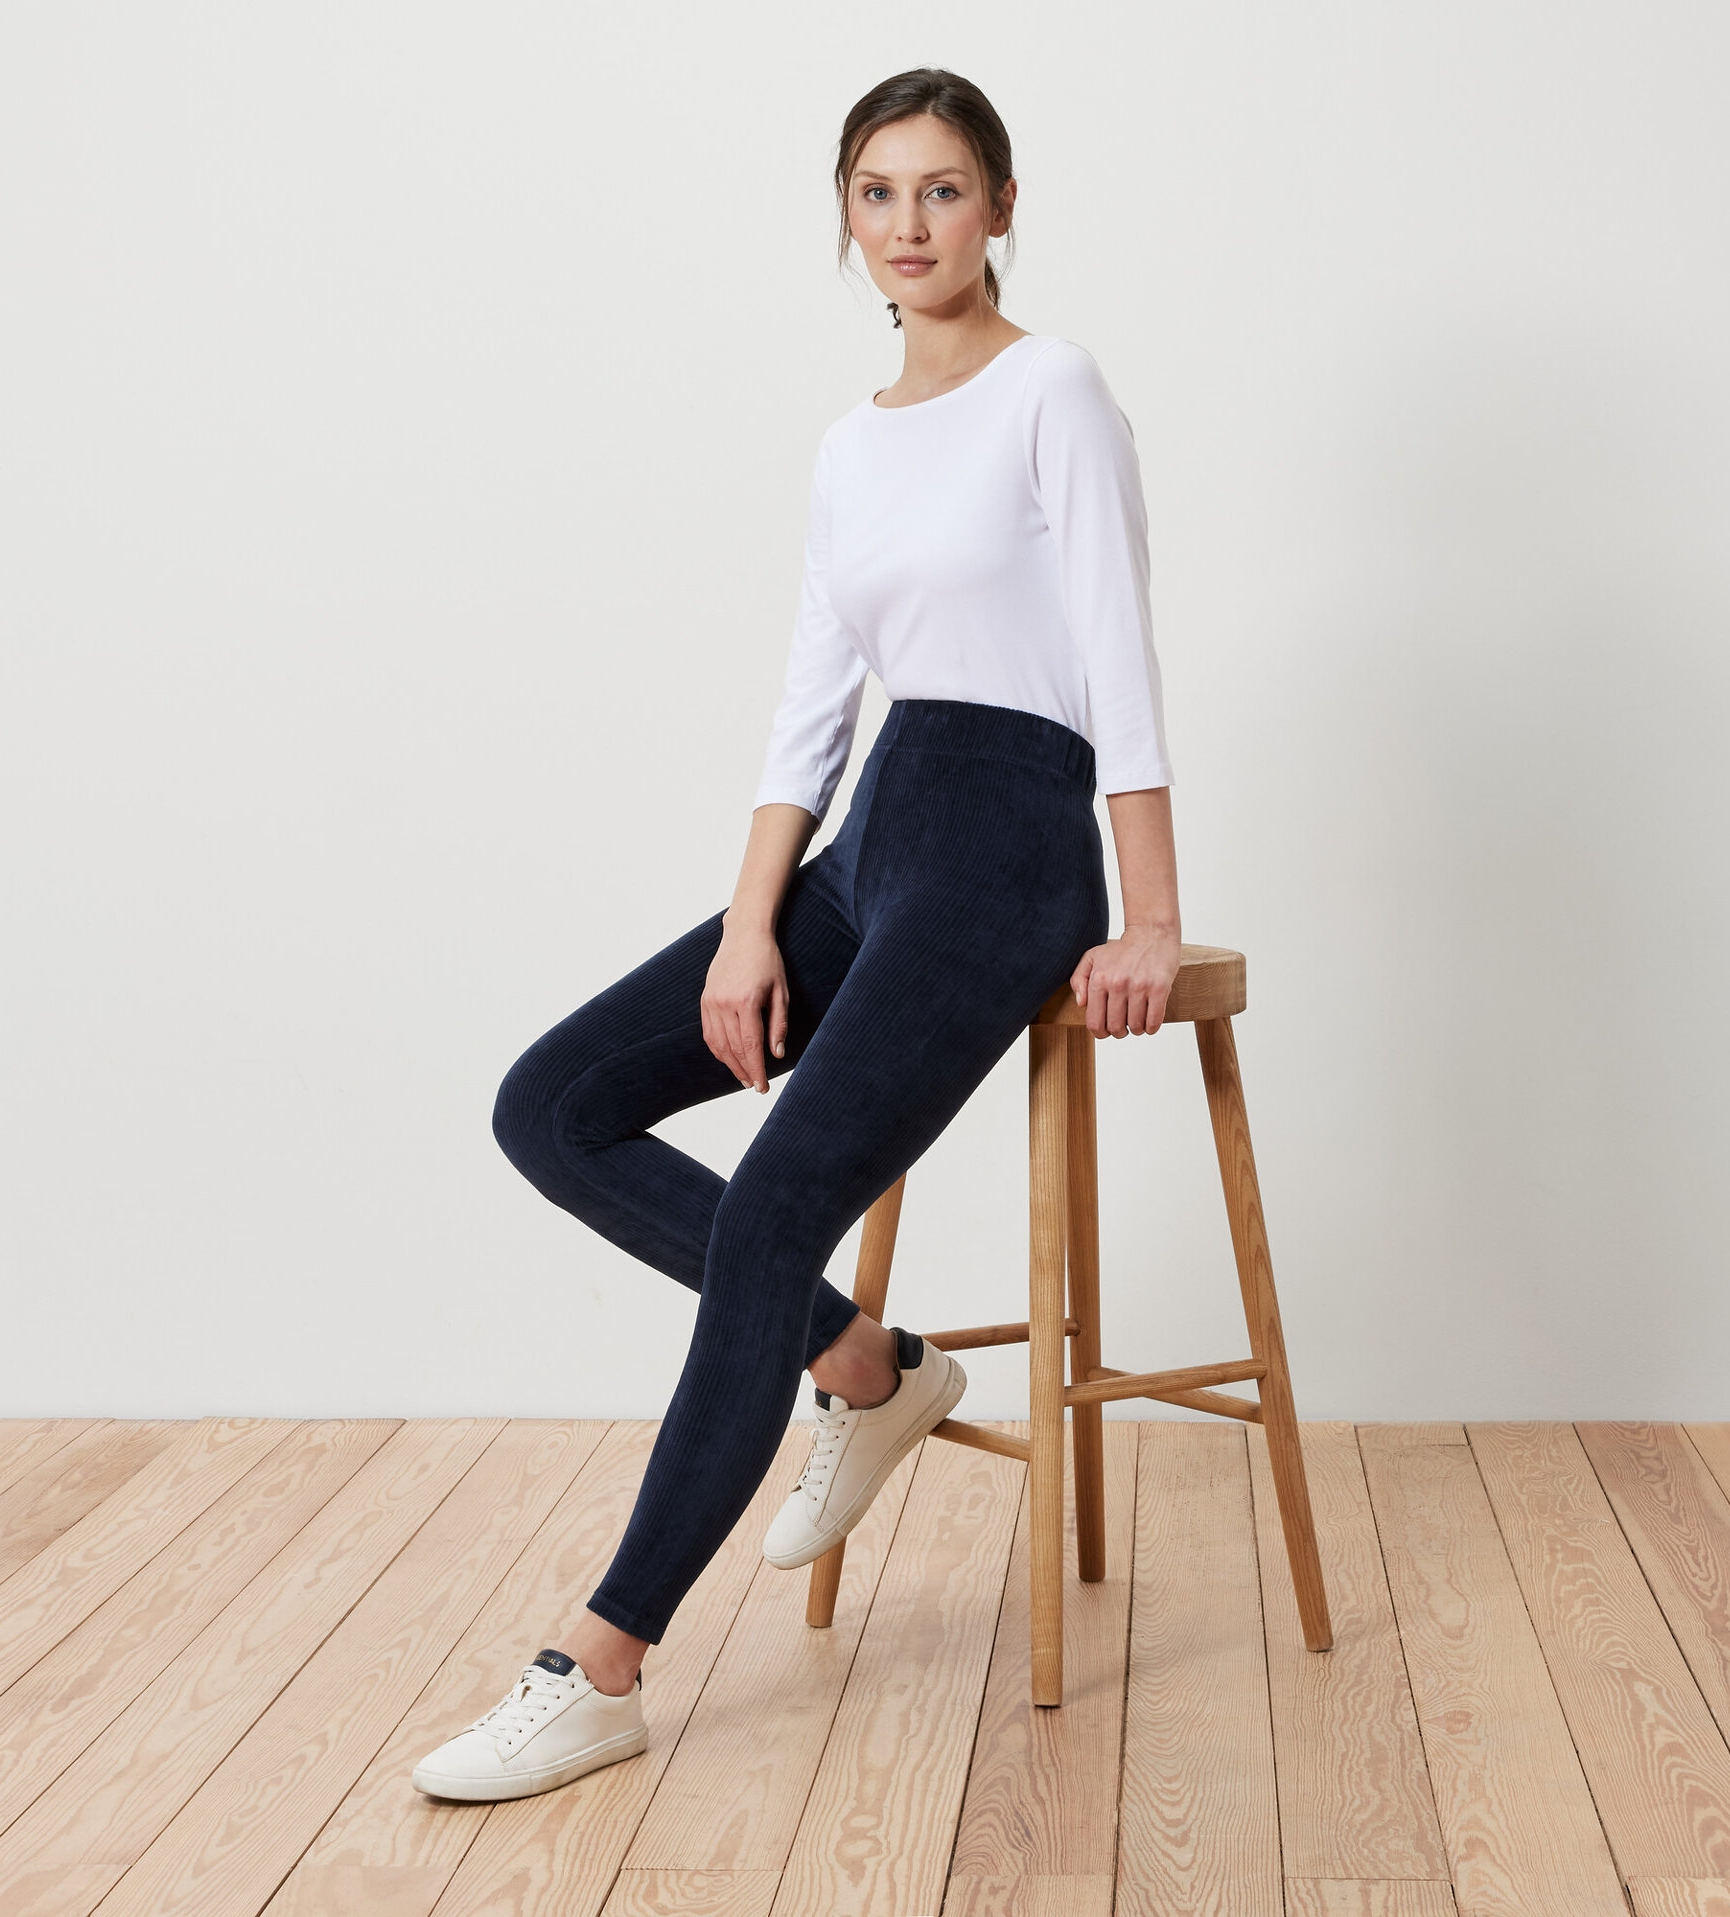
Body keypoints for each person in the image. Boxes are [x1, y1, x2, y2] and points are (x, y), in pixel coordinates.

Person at [413, 66, 1182, 1804]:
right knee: (553, 1103)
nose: (908, 226)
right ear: (843, 218)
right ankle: (863, 1363)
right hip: (872, 835)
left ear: (1000, 208)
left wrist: (1150, 910)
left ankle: (599, 1663)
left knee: (767, 1205)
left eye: (942, 191)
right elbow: (809, 711)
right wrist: (749, 924)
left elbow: (1119, 657)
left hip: (1005, 851)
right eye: (876, 193)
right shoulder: (850, 445)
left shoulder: (1051, 388)